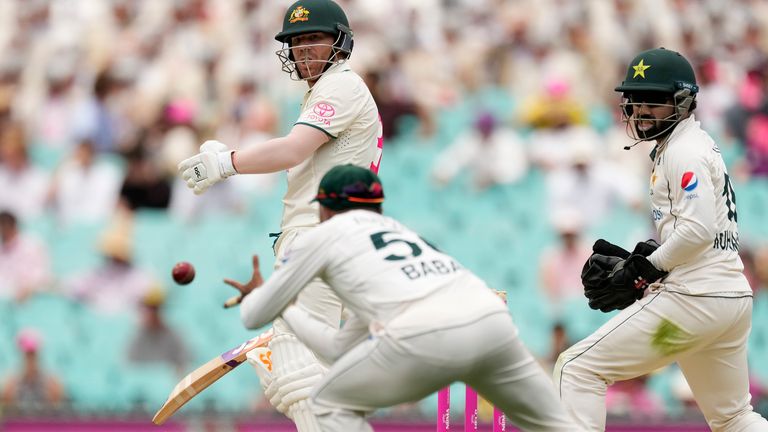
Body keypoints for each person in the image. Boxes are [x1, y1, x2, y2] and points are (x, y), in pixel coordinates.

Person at [223, 164, 579, 432]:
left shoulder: (325, 234)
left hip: (424, 334)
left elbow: (254, 315)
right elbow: (336, 349)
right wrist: (293, 311)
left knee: (325, 403)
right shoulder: (402, 234)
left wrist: (263, 297)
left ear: (325, 209)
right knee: (556, 427)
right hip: (490, 321)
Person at [176, 1, 383, 429]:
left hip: (320, 237)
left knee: (296, 376)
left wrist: (225, 163)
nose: (304, 50)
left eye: (314, 39)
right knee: (306, 380)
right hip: (327, 237)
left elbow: (292, 149)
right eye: (297, 42)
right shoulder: (324, 91)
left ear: (340, 43)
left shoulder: (341, 86)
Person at [554, 47, 768, 431]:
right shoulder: (687, 145)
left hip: (695, 301)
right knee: (734, 418)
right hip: (727, 298)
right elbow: (699, 229)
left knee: (576, 369)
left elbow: (697, 231)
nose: (640, 110)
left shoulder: (684, 150)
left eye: (653, 100)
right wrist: (650, 258)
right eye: (635, 100)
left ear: (683, 101)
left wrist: (645, 267)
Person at [1, 328, 65, 414]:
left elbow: (58, 403)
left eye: (32, 354)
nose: (30, 359)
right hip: (20, 423)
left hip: (42, 423)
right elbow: (5, 404)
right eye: (27, 355)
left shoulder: (51, 380)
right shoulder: (12, 381)